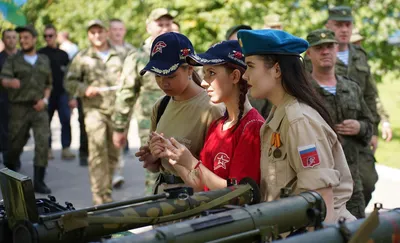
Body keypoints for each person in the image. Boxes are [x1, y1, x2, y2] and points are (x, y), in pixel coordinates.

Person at [237, 29, 355, 223]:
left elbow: (321, 203)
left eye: (250, 66)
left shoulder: (298, 121)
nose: (245, 76)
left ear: (276, 70)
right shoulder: (281, 114)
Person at [149, 40, 263, 191]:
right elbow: (200, 187)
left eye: (211, 73)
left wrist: (190, 162)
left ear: (235, 77)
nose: (203, 82)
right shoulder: (219, 126)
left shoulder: (252, 126)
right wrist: (173, 155)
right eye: (204, 73)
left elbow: (240, 194)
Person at [134, 32, 224, 194]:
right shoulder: (161, 105)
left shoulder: (212, 108)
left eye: (170, 75)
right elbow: (158, 166)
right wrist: (154, 159)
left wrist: (175, 157)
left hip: (194, 199)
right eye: (157, 76)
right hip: (162, 195)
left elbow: (218, 172)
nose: (163, 83)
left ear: (189, 69)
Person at [306, 29, 374, 218]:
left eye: (329, 46)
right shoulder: (303, 91)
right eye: (319, 48)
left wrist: (360, 127)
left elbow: (369, 124)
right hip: (317, 182)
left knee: (357, 234)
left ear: (337, 49)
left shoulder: (351, 87)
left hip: (352, 181)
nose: (325, 52)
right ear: (309, 53)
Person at [112, 8, 176, 195]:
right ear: (149, 27)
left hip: (182, 116)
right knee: (154, 168)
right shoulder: (138, 57)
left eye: (168, 24)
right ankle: (154, 210)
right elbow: (126, 94)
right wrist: (119, 127)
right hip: (151, 123)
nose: (165, 28)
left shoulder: (181, 51)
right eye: (160, 24)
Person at [325, 6, 381, 205]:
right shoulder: (318, 55)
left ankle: (355, 224)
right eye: (338, 25)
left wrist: (372, 130)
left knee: (367, 182)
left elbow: (369, 94)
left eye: (348, 24)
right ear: (328, 25)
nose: (344, 29)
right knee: (332, 187)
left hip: (357, 134)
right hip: (329, 136)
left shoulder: (359, 55)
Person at [65, 20, 124, 205]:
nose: (97, 36)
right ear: (89, 35)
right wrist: (84, 89)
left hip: (116, 111)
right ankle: (100, 198)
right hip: (94, 111)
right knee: (98, 152)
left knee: (113, 155)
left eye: (100, 31)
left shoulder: (120, 54)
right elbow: (69, 82)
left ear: (106, 33)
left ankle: (106, 190)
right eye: (93, 33)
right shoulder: (82, 57)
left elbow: (131, 80)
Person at [0, 25, 52, 194]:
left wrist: (45, 100)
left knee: (43, 142)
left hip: (39, 107)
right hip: (19, 108)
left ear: (34, 39)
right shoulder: (13, 59)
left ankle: (39, 181)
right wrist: (10, 82)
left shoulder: (44, 59)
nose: (22, 41)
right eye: (20, 38)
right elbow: (4, 78)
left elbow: (49, 84)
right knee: (15, 143)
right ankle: (10, 172)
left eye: (26, 37)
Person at [38, 24, 75, 161]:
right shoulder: (40, 53)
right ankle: (47, 149)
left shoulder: (63, 55)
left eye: (51, 35)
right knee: (45, 123)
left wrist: (72, 97)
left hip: (62, 93)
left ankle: (66, 148)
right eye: (45, 36)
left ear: (56, 36)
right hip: (46, 94)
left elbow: (69, 77)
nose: (48, 38)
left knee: (65, 120)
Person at [0, 29, 18, 166]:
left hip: (23, 102)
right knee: (6, 132)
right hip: (4, 101)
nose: (11, 40)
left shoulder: (23, 57)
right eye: (8, 37)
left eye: (13, 37)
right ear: (4, 40)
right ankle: (9, 162)